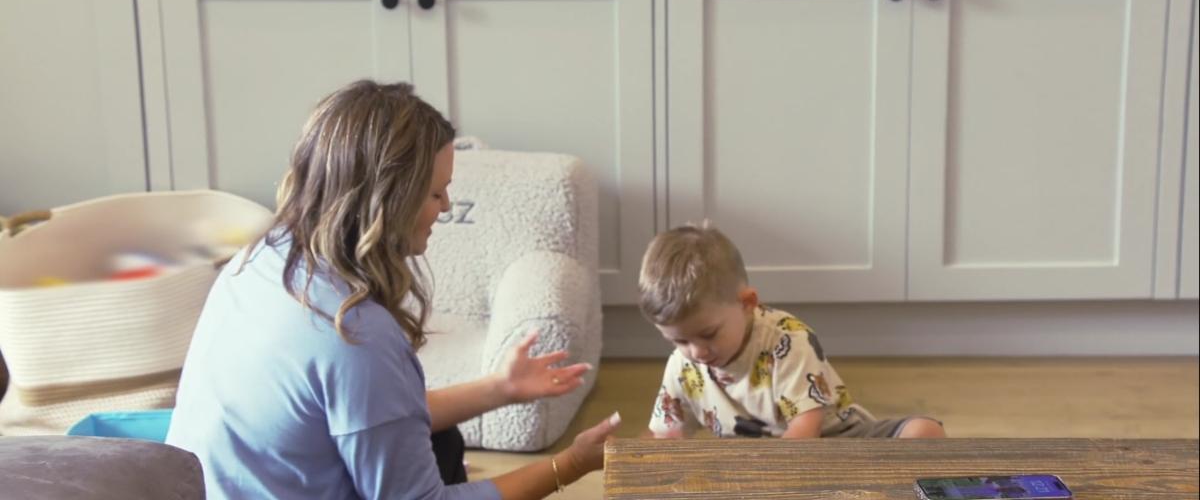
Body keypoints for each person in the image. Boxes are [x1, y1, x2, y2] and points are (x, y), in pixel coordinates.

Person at [166, 80, 619, 499]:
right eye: (434, 193)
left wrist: (499, 388)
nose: (445, 207)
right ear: (388, 198)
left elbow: (367, 416)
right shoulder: (352, 330)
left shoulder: (261, 260)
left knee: (439, 439)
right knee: (440, 449)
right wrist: (570, 465)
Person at [638, 223, 945, 440]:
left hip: (837, 443)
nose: (697, 352)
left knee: (925, 431)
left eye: (709, 334)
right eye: (679, 340)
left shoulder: (787, 341)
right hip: (754, 468)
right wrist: (622, 453)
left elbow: (805, 429)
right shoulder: (682, 366)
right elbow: (666, 436)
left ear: (747, 303)